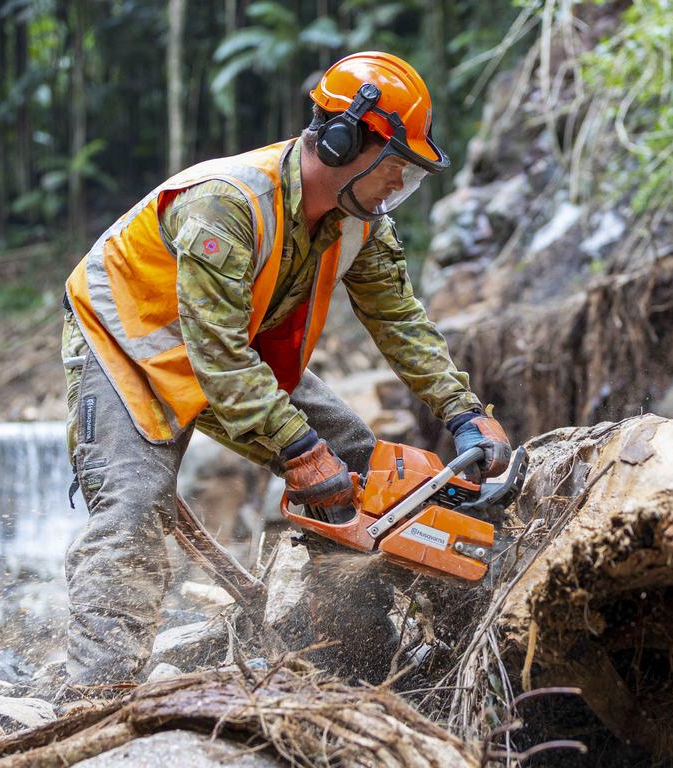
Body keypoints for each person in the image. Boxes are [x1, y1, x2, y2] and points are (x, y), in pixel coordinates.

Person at [59, 51, 511, 687]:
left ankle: (346, 648)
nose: (395, 188)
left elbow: (400, 321)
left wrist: (463, 412)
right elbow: (216, 359)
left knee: (355, 461)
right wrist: (300, 452)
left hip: (233, 345)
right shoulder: (228, 203)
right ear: (342, 140)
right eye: (393, 170)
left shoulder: (361, 224)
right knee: (132, 505)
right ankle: (96, 692)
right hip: (129, 344)